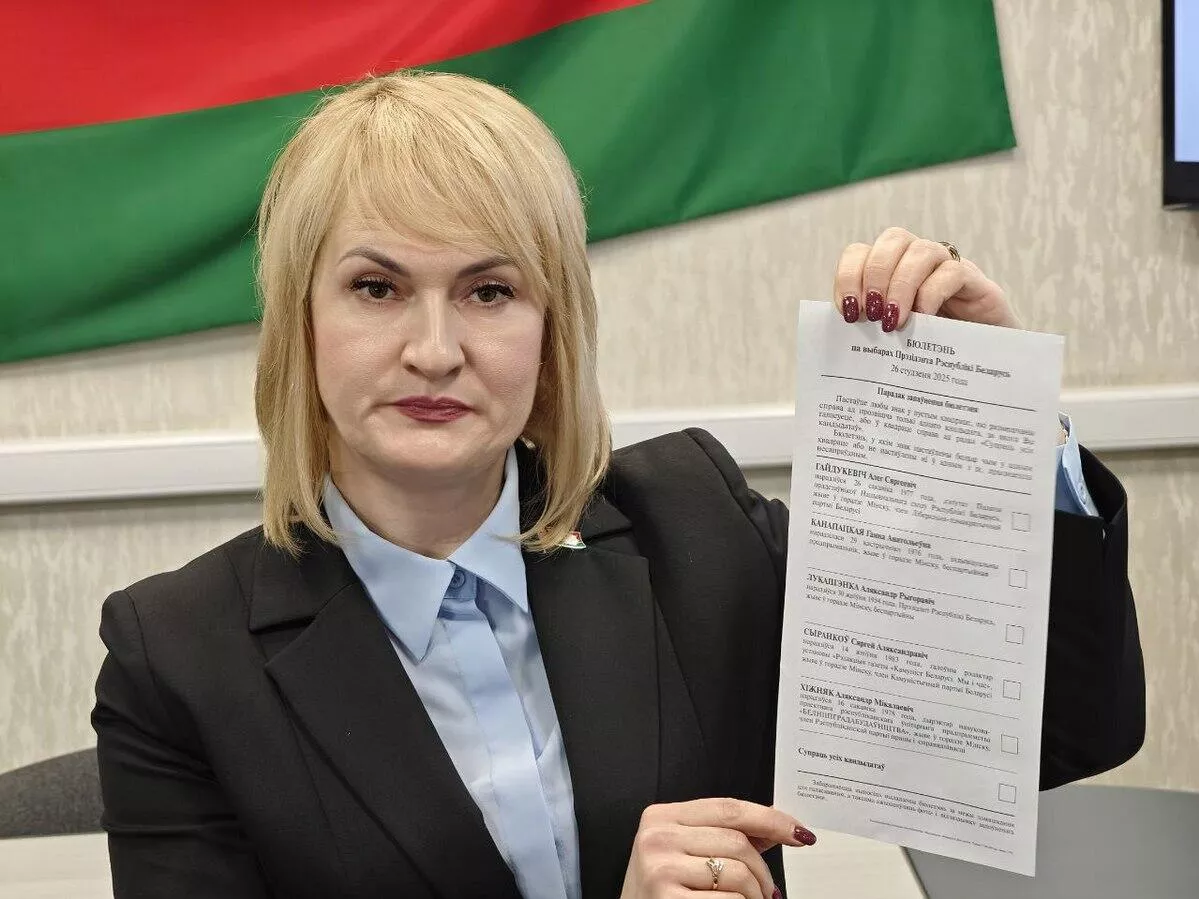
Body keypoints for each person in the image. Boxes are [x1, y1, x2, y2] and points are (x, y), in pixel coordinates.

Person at [91, 71, 1144, 899]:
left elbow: (1050, 731)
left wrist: (999, 420)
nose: (434, 348)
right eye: (376, 287)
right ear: (300, 323)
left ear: (550, 329)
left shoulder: (697, 526)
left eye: (489, 290)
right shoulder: (177, 656)